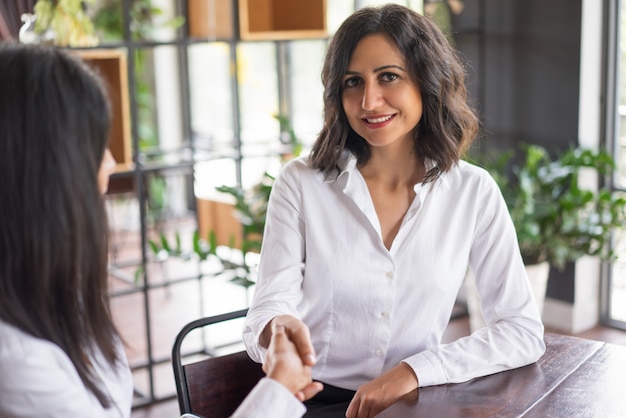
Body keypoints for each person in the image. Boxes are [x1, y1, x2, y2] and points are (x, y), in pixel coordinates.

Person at [242, 4, 546, 418]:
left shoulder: (473, 192)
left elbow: (521, 331)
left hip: (418, 399)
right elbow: (268, 305)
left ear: (427, 80)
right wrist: (277, 329)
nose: (369, 100)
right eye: (353, 82)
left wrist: (415, 370)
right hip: (309, 400)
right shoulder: (299, 183)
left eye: (389, 76)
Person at [0, 42, 321, 418]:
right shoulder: (16, 362)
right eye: (93, 146)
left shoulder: (48, 299)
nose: (108, 163)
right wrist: (278, 391)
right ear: (38, 171)